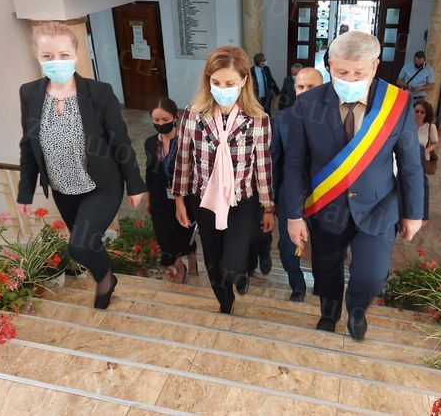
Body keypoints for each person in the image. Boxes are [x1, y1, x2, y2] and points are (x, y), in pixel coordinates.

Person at [284, 31, 424, 340]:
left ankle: (358, 309)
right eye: (341, 72)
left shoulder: (397, 103)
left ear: (374, 66)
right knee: (326, 270)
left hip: (378, 205)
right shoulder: (306, 104)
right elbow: (294, 165)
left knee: (372, 276)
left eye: (358, 73)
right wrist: (293, 215)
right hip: (326, 206)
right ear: (329, 66)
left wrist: (414, 213)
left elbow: (411, 163)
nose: (349, 79)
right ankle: (329, 312)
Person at [17, 22, 146, 309]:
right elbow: (29, 145)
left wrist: (135, 185)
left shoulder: (99, 93)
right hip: (63, 188)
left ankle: (106, 279)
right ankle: (104, 274)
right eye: (48, 56)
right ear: (37, 56)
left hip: (101, 185)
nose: (56, 61)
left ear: (75, 54)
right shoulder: (29, 93)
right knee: (88, 242)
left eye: (63, 54)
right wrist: (25, 192)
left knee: (79, 246)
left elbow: (120, 141)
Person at [172, 46, 275, 314]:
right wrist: (179, 199)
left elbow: (262, 166)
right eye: (216, 82)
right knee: (213, 259)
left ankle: (239, 273)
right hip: (204, 198)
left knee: (233, 261)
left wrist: (268, 207)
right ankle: (225, 301)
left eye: (229, 83)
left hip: (241, 199)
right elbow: (184, 158)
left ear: (243, 80)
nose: (222, 88)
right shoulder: (193, 114)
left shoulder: (258, 119)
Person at [272, 67, 324, 302]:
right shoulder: (282, 119)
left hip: (324, 196)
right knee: (287, 247)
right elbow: (275, 161)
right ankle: (297, 285)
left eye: (311, 87)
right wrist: (271, 201)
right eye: (301, 87)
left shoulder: (335, 118)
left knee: (324, 247)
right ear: (294, 89)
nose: (305, 92)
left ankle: (321, 283)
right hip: (290, 197)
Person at [145, 98, 197, 284]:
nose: (160, 124)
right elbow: (149, 173)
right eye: (156, 120)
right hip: (159, 199)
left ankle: (192, 259)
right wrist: (149, 198)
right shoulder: (150, 143)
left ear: (175, 117)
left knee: (185, 236)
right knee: (165, 240)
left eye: (165, 120)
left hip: (184, 199)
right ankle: (180, 267)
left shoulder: (187, 141)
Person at [415, 100, 439, 222]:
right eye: (417, 111)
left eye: (422, 112)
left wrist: (426, 150)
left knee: (422, 185)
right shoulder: (407, 123)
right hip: (407, 156)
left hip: (421, 159)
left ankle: (423, 214)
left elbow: (435, 142)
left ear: (426, 113)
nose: (419, 114)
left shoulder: (430, 127)